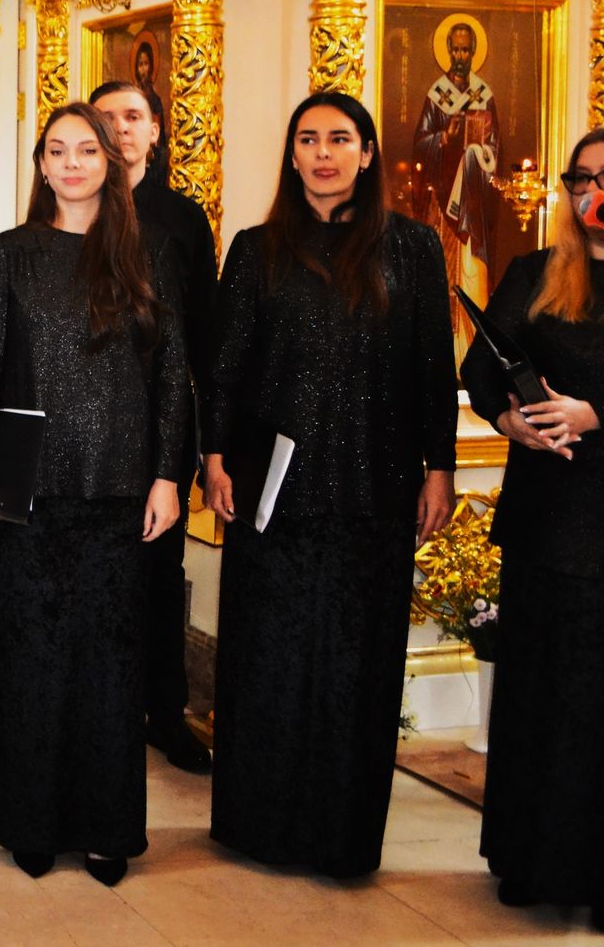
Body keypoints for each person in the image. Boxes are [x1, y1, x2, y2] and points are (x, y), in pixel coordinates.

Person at [202, 91, 456, 879]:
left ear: (368, 153)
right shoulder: (257, 249)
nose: (323, 153)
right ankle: (260, 827)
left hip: (376, 486)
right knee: (270, 656)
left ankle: (342, 839)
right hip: (273, 490)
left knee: (356, 662)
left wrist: (440, 468)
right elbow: (224, 367)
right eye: (308, 139)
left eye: (339, 139)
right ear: (292, 154)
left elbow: (433, 369)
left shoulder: (412, 247)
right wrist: (214, 458)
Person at [0, 102, 190, 887]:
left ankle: (104, 828)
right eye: (56, 151)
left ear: (109, 161)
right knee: (31, 655)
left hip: (121, 486)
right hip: (28, 488)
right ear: (40, 165)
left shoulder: (148, 251)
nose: (70, 163)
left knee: (110, 662)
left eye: (85, 150)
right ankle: (30, 820)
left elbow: (173, 374)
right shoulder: (10, 253)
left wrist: (169, 475)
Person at [467, 128, 604, 926]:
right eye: (581, 178)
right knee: (537, 696)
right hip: (545, 520)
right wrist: (508, 420)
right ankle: (528, 860)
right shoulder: (534, 272)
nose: (593, 193)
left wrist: (596, 414)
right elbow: (481, 367)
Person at [89, 80, 216, 775]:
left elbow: (204, 337)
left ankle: (166, 714)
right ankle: (100, 712)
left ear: (155, 131)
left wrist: (206, 445)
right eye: (105, 117)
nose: (119, 128)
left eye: (132, 116)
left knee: (161, 577)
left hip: (161, 423)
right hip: (85, 432)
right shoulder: (73, 207)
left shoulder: (184, 219)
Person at [411, 14, 500, 358]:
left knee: (473, 274)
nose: (461, 56)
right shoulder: (437, 95)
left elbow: (495, 149)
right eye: (456, 50)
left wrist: (480, 153)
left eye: (466, 50)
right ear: (448, 50)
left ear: (474, 51)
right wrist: (444, 138)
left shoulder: (484, 95)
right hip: (441, 201)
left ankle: (472, 351)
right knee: (442, 274)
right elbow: (421, 142)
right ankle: (442, 352)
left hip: (472, 203)